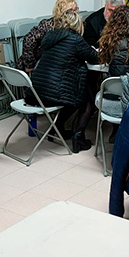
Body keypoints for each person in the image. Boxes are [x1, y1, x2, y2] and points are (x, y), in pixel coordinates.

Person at [30, 10, 99, 152]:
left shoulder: (50, 37)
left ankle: (58, 126)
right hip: (54, 93)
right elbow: (94, 58)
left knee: (73, 95)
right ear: (77, 24)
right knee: (87, 103)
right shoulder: (75, 39)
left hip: (36, 92)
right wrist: (94, 50)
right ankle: (78, 137)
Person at [17, 0, 78, 72]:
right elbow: (28, 40)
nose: (75, 13)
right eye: (71, 10)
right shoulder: (47, 25)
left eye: (76, 9)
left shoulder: (75, 26)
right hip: (39, 65)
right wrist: (30, 65)